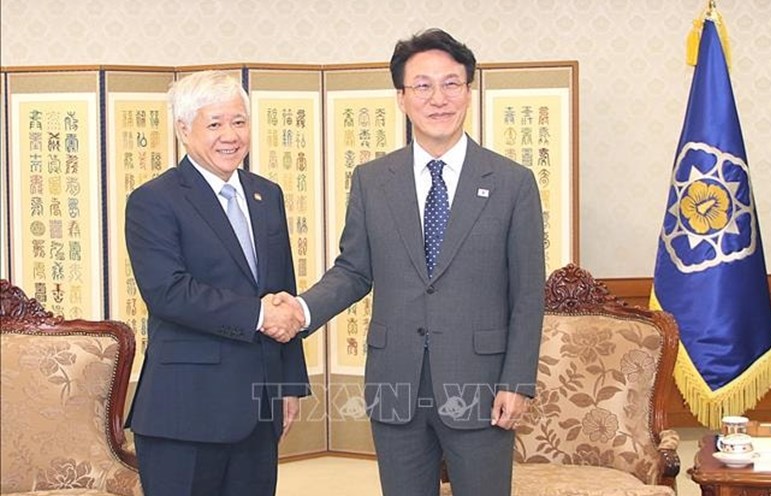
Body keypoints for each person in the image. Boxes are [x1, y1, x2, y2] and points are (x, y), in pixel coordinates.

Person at [272, 28, 545, 496]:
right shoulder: (373, 180)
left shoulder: (512, 182)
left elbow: (527, 293)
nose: (438, 98)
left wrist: (516, 382)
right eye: (422, 86)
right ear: (401, 97)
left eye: (451, 84)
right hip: (396, 384)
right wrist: (301, 309)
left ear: (469, 91)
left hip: (480, 385)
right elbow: (353, 270)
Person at [124, 70, 309, 496]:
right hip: (185, 413)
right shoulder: (155, 200)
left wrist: (289, 385)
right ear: (183, 129)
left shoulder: (267, 195)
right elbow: (169, 292)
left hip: (259, 407)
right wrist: (260, 315)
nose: (231, 136)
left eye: (239, 121)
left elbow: (283, 289)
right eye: (215, 124)